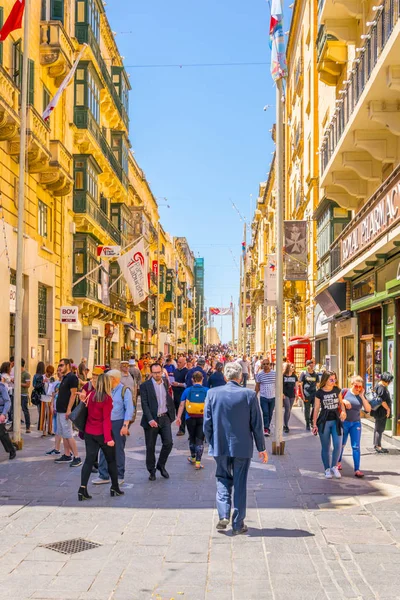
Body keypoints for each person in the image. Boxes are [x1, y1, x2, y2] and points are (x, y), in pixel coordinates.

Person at [204, 361, 268, 535]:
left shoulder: (212, 393)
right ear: (240, 377)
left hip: (220, 445)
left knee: (222, 478)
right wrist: (261, 447)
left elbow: (207, 424)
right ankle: (238, 523)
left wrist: (212, 442)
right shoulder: (248, 395)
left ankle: (224, 514)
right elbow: (257, 423)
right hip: (242, 446)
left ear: (225, 376)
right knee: (240, 483)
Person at [79, 373, 124, 501]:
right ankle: (114, 487)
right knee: (111, 461)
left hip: (89, 432)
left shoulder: (91, 395)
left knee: (88, 460)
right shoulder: (107, 399)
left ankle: (82, 488)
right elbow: (106, 420)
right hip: (102, 434)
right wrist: (108, 438)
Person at [93, 369, 134, 486]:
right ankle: (103, 475)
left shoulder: (124, 391)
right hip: (105, 422)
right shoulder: (106, 390)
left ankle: (119, 475)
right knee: (103, 448)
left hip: (118, 422)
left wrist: (125, 426)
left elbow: (129, 409)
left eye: (107, 378)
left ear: (113, 379)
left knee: (118, 449)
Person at [140, 363, 175, 481]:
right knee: (150, 447)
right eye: (154, 372)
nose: (157, 374)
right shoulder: (145, 386)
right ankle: (151, 470)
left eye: (159, 372)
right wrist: (150, 419)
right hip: (152, 419)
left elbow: (168, 398)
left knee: (169, 443)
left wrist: (171, 416)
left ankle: (161, 465)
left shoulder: (165, 383)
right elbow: (144, 403)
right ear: (151, 373)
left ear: (162, 371)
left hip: (164, 417)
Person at [312, 370, 346, 479]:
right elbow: (316, 408)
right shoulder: (319, 393)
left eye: (334, 379)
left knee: (338, 445)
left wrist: (343, 411)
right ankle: (327, 469)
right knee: (325, 447)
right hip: (324, 421)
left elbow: (341, 402)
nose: (333, 381)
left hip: (336, 420)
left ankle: (334, 466)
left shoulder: (337, 390)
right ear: (325, 380)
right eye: (331, 379)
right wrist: (314, 424)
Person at [337, 376, 371, 477]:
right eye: (356, 386)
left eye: (360, 387)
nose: (358, 388)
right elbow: (337, 401)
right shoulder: (344, 392)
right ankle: (338, 462)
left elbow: (368, 409)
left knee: (356, 446)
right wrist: (343, 401)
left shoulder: (361, 395)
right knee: (341, 444)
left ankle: (357, 469)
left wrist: (362, 396)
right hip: (344, 422)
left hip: (356, 423)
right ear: (352, 384)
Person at [176, 371, 208, 470]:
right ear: (202, 379)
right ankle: (198, 462)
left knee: (192, 437)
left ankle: (193, 457)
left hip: (189, 418)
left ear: (192, 379)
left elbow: (181, 405)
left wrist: (178, 417)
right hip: (202, 417)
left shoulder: (187, 390)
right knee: (200, 439)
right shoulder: (207, 390)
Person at [53, 358, 82, 467]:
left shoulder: (72, 378)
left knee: (68, 434)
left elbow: (73, 394)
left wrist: (69, 409)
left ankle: (77, 457)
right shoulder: (65, 378)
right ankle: (67, 454)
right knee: (64, 433)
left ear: (68, 366)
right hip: (60, 410)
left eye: (61, 365)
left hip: (65, 410)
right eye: (59, 365)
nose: (59, 367)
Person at [373, 372, 393, 454]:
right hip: (381, 411)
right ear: (386, 380)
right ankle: (378, 446)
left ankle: (377, 445)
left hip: (380, 411)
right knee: (379, 428)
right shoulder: (381, 387)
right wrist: (388, 409)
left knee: (378, 428)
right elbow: (381, 401)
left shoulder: (380, 386)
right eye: (389, 380)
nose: (390, 382)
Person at [255, 359, 276, 436]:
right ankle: (266, 428)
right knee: (265, 412)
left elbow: (278, 385)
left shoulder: (274, 374)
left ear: (270, 364)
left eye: (267, 364)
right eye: (264, 364)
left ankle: (267, 426)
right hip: (263, 397)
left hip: (273, 397)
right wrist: (254, 395)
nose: (266, 365)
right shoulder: (260, 374)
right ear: (262, 365)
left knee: (270, 413)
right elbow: (257, 386)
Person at [299, 359, 319, 430]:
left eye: (312, 365)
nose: (311, 366)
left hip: (314, 393)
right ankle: (307, 423)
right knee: (307, 409)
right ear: (307, 366)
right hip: (306, 393)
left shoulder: (315, 374)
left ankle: (311, 419)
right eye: (310, 365)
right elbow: (300, 385)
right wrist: (302, 395)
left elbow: (318, 385)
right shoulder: (304, 374)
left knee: (315, 407)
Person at [172, 356, 188, 437]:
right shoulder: (175, 371)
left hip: (182, 394)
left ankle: (182, 429)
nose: (178, 364)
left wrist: (178, 384)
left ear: (184, 363)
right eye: (178, 362)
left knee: (182, 412)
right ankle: (180, 426)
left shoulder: (186, 372)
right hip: (175, 393)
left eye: (180, 362)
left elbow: (187, 384)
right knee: (177, 411)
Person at [0, 379, 15, 459]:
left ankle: (11, 449)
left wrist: (3, 414)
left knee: (2, 433)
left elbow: (7, 401)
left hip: (1, 412)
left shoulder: (1, 387)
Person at [283, 363, 298, 433]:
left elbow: (296, 386)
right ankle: (286, 425)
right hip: (285, 395)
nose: (293, 368)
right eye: (292, 366)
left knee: (289, 410)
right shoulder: (283, 376)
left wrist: (297, 394)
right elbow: (280, 385)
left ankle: (286, 424)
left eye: (294, 367)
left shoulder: (295, 376)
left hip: (292, 395)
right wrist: (282, 394)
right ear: (288, 367)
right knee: (287, 409)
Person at [21, 359, 31, 433]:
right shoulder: (16, 372)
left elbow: (28, 385)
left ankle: (28, 427)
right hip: (16, 393)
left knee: (25, 410)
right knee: (13, 411)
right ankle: (13, 425)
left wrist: (19, 383)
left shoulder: (26, 374)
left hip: (23, 394)